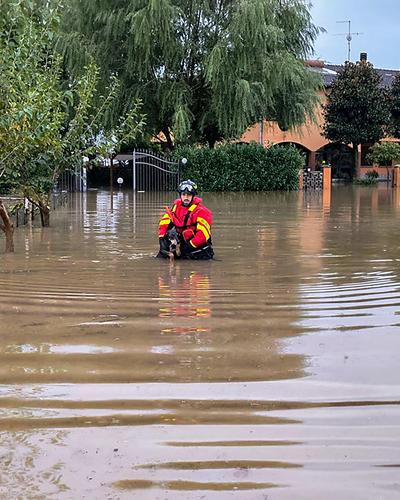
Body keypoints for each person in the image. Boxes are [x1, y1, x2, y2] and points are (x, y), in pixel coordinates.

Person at [157, 179, 214, 260]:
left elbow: (202, 235)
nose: (186, 197)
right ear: (180, 195)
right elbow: (163, 223)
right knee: (160, 258)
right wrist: (162, 242)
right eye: (183, 194)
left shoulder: (202, 211)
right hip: (181, 248)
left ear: (193, 196)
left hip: (199, 252)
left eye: (189, 195)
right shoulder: (175, 207)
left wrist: (184, 250)